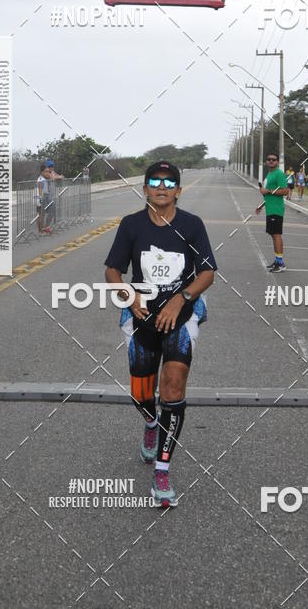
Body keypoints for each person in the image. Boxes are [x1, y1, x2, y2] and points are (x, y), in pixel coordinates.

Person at [105, 160, 216, 509]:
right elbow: (112, 270)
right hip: (140, 318)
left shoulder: (192, 226)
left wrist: (181, 299)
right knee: (141, 394)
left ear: (179, 191)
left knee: (173, 386)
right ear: (145, 189)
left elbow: (207, 272)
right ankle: (150, 422)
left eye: (169, 182)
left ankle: (162, 471)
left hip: (180, 317)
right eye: (155, 181)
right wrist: (128, 294)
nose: (162, 186)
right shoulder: (131, 225)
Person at [255, 152, 289, 273]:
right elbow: (268, 194)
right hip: (270, 209)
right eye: (268, 159)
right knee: (273, 235)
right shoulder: (270, 174)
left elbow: (285, 191)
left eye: (273, 160)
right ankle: (277, 260)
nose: (270, 161)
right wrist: (261, 206)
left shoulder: (279, 173)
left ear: (277, 162)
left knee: (276, 235)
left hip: (276, 210)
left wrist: (268, 191)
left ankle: (280, 263)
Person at [45, 158, 64, 229]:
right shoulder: (46, 173)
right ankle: (46, 226)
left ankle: (47, 225)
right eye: (50, 166)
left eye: (52, 166)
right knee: (50, 211)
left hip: (51, 195)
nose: (51, 168)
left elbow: (60, 176)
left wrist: (58, 176)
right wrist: (57, 177)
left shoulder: (52, 172)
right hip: (47, 195)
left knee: (52, 211)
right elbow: (52, 178)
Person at [35, 164, 52, 234]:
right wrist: (41, 199)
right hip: (40, 200)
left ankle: (43, 228)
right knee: (40, 215)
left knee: (43, 214)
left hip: (43, 199)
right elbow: (40, 191)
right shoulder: (41, 180)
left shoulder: (44, 179)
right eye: (46, 171)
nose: (48, 173)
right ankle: (40, 230)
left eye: (48, 171)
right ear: (42, 172)